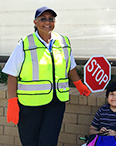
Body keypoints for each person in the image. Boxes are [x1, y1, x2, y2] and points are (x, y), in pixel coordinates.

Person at [2, 6, 91, 146]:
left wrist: (79, 84)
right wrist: (12, 102)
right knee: (30, 142)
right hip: (29, 105)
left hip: (55, 104)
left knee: (49, 142)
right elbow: (12, 75)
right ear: (35, 22)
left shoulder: (63, 42)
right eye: (43, 19)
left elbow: (70, 67)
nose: (47, 22)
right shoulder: (24, 44)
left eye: (51, 19)